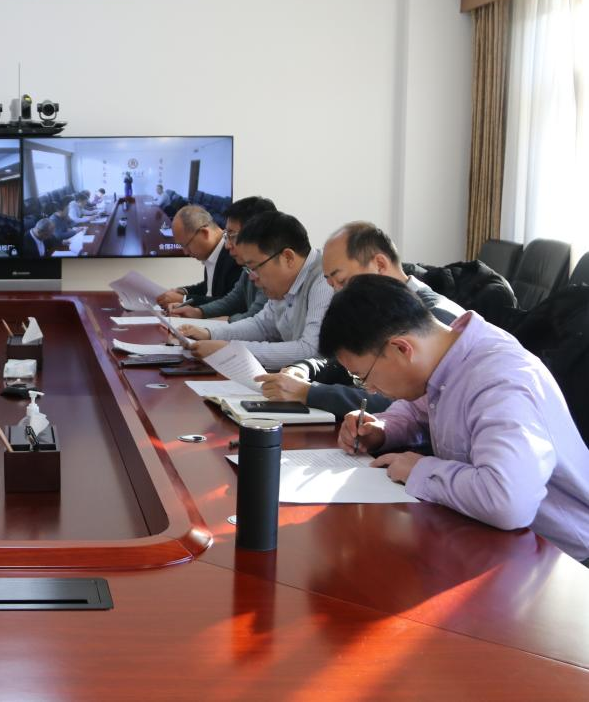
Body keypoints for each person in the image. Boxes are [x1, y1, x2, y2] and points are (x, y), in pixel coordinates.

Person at [321, 275, 589, 563]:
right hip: (490, 541)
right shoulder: (446, 356)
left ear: (401, 348)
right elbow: (418, 410)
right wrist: (382, 429)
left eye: (363, 376)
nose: (369, 389)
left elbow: (507, 501)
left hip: (563, 560)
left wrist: (420, 470)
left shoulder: (500, 380)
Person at [256, 221, 465, 417]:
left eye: (342, 281)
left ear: (380, 264)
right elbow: (346, 364)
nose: (338, 293)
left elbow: (399, 401)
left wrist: (309, 393)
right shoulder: (378, 310)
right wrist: (304, 369)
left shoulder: (434, 318)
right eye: (331, 285)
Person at [178, 211, 332, 370]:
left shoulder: (325, 279)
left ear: (288, 257)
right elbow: (262, 326)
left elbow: (311, 351)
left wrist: (231, 350)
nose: (252, 277)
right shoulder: (283, 284)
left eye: (254, 267)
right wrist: (209, 334)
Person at [170, 196, 275, 322]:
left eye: (232, 235)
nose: (227, 245)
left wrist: (221, 323)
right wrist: (198, 312)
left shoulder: (271, 270)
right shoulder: (249, 268)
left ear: (256, 234)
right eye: (227, 235)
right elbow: (234, 299)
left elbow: (258, 322)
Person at [156, 205, 241, 309]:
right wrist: (183, 291)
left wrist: (183, 300)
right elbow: (209, 287)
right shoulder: (213, 252)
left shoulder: (234, 256)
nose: (185, 252)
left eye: (186, 245)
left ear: (204, 233)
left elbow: (232, 303)